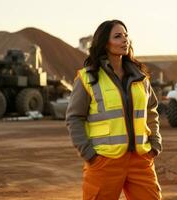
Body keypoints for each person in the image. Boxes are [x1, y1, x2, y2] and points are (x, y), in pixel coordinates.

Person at [66, 19, 162, 200]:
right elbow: (74, 118)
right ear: (104, 42)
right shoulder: (87, 78)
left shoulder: (140, 77)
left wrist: (155, 143)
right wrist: (89, 154)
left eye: (126, 35)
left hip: (140, 160)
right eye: (118, 36)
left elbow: (151, 110)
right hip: (104, 161)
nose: (125, 40)